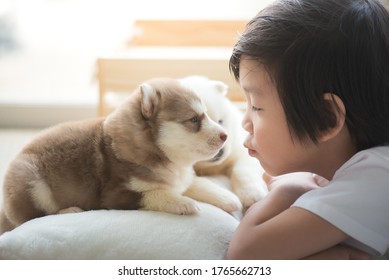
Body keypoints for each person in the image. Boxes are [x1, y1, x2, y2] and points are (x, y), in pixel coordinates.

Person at [227, 0, 389, 259]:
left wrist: (290, 187)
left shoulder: (377, 176)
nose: (245, 122)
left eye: (256, 107)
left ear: (325, 118)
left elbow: (246, 255)